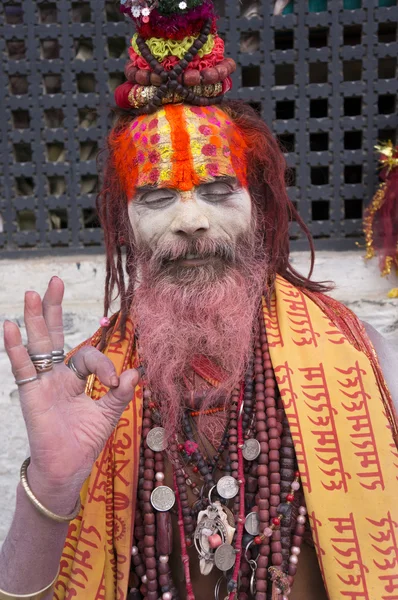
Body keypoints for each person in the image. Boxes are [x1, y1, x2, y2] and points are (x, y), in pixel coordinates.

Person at [1, 1, 397, 600]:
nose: (192, 221)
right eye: (158, 198)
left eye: (217, 190)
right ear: (124, 225)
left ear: (258, 208)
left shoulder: (365, 367)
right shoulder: (92, 388)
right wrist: (52, 488)